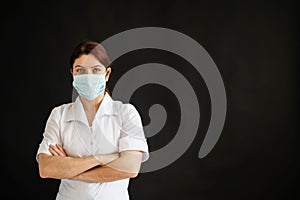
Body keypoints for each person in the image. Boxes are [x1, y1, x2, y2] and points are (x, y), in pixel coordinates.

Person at [36, 40, 149, 200]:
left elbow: (129, 168)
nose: (88, 77)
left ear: (107, 74)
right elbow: (46, 168)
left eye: (95, 70)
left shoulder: (126, 113)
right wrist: (103, 159)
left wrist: (69, 168)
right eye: (80, 70)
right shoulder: (59, 114)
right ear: (72, 74)